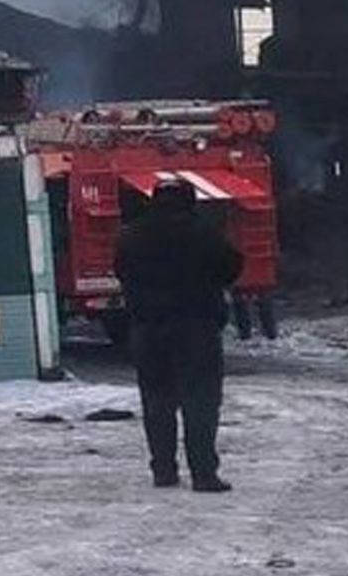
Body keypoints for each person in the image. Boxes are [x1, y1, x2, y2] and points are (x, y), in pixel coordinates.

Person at [114, 178, 244, 492]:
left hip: (148, 328)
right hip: (196, 327)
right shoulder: (203, 233)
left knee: (157, 400)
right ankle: (203, 473)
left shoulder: (131, 236)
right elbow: (231, 267)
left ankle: (163, 470)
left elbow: (120, 270)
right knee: (199, 401)